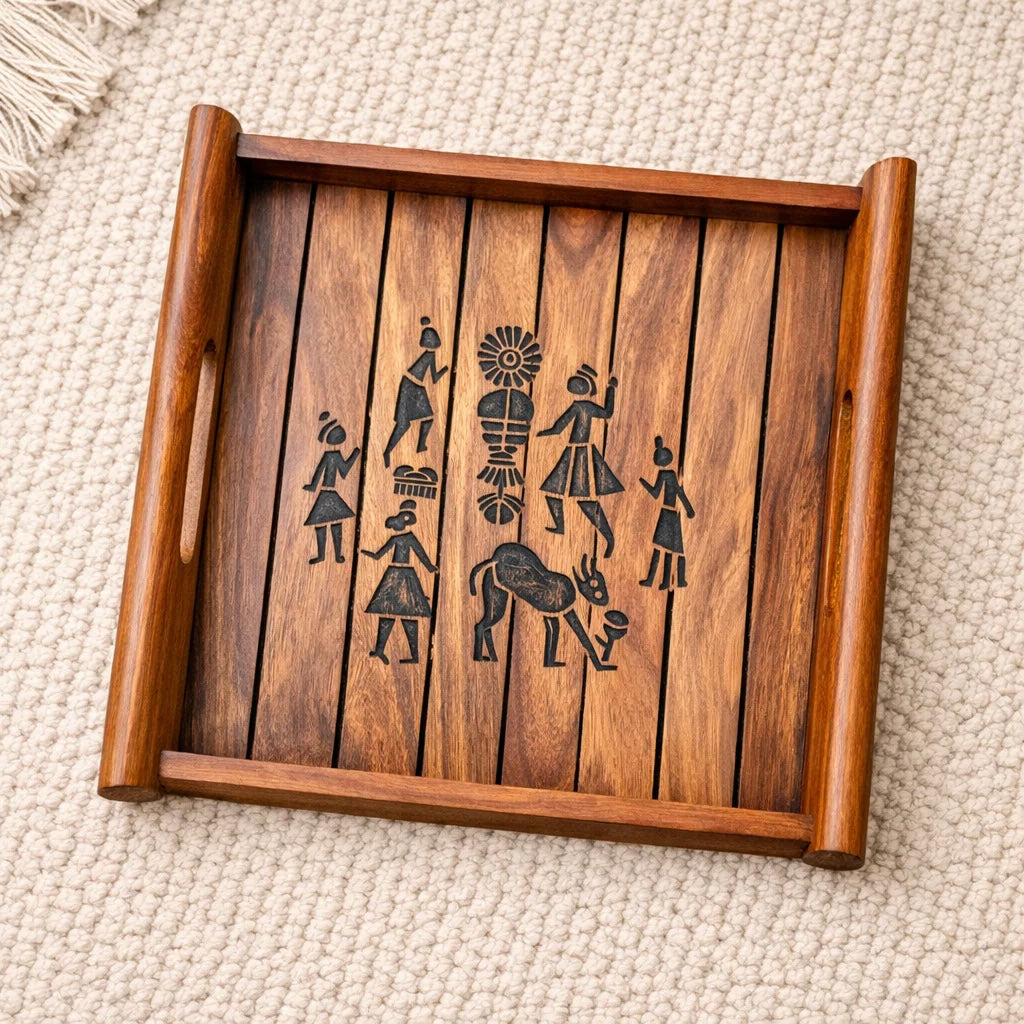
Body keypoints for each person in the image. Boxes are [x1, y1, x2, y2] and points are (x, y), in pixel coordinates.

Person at [537, 364, 623, 557]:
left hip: (581, 454)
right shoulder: (582, 406)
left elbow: (561, 426)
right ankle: (560, 526)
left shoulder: (582, 407)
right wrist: (611, 390)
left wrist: (611, 390)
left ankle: (608, 538)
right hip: (574, 451)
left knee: (582, 498)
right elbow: (561, 425)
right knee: (553, 490)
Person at [361, 500, 438, 665]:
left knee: (409, 616)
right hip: (394, 574)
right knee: (386, 613)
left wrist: (430, 567)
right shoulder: (395, 538)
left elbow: (420, 553)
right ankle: (380, 650)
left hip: (404, 576)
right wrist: (368, 553)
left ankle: (415, 655)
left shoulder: (410, 537)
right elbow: (379, 554)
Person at [383, 317, 448, 468]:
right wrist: (444, 370)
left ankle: (420, 446)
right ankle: (388, 451)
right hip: (410, 386)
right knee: (403, 425)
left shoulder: (430, 355)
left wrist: (444, 370)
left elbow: (433, 377)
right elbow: (435, 378)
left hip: (416, 387)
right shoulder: (429, 355)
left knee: (427, 419)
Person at [303, 413, 361, 564]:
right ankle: (325, 556)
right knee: (326, 525)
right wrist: (354, 455)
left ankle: (335, 556)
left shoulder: (333, 455)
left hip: (328, 494)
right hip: (327, 494)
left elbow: (342, 472)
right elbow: (327, 471)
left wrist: (354, 455)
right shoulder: (331, 456)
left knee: (332, 525)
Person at [639, 436, 695, 589]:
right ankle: (662, 580)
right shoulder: (667, 474)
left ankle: (660, 580)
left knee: (663, 548)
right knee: (668, 549)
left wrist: (689, 509)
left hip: (668, 515)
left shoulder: (667, 475)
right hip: (669, 514)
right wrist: (689, 509)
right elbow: (676, 493)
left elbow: (665, 493)